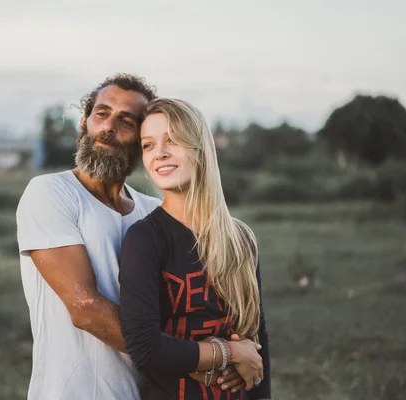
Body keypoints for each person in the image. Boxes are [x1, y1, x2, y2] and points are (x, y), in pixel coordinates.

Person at [16, 74, 162, 400]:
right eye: (102, 113)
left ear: (144, 139)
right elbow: (86, 308)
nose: (108, 127)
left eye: (125, 121)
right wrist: (192, 360)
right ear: (84, 122)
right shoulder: (51, 192)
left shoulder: (155, 212)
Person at [119, 98, 272, 400]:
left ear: (199, 146)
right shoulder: (145, 238)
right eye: (148, 145)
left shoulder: (241, 238)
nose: (159, 153)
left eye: (172, 140)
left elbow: (257, 342)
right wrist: (227, 353)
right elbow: (145, 347)